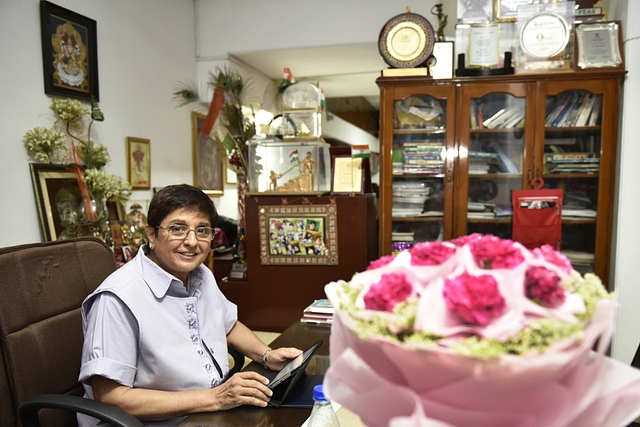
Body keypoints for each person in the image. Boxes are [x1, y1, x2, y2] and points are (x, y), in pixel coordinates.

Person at [78, 184, 302, 426]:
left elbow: (227, 324)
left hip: (208, 411)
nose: (192, 242)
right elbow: (112, 398)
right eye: (178, 229)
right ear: (151, 234)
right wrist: (215, 398)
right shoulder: (118, 299)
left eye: (202, 230)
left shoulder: (200, 274)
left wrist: (267, 355)